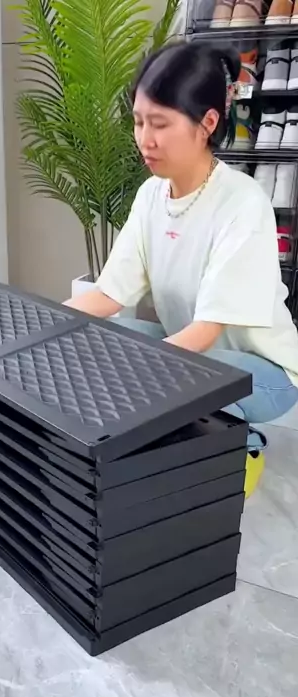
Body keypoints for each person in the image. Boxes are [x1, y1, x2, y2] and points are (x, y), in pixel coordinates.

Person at [66, 41, 298, 496]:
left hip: (266, 374)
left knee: (149, 375)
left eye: (160, 124)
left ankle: (241, 445)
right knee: (100, 341)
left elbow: (206, 331)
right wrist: (39, 328)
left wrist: (137, 377)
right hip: (194, 353)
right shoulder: (150, 195)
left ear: (207, 123)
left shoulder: (243, 203)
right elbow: (108, 294)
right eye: (138, 121)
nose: (144, 139)